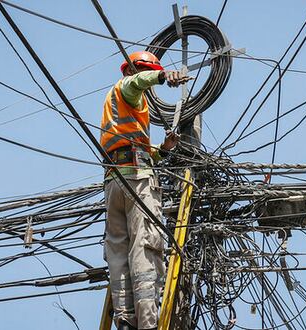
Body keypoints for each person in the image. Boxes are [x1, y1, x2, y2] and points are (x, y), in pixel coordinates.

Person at [100, 51, 187, 330]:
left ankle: (125, 320)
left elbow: (138, 149)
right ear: (135, 71)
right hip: (137, 181)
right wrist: (163, 76)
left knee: (118, 252)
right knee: (144, 247)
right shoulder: (127, 88)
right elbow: (136, 83)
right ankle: (148, 323)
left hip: (114, 181)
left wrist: (163, 150)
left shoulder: (118, 106)